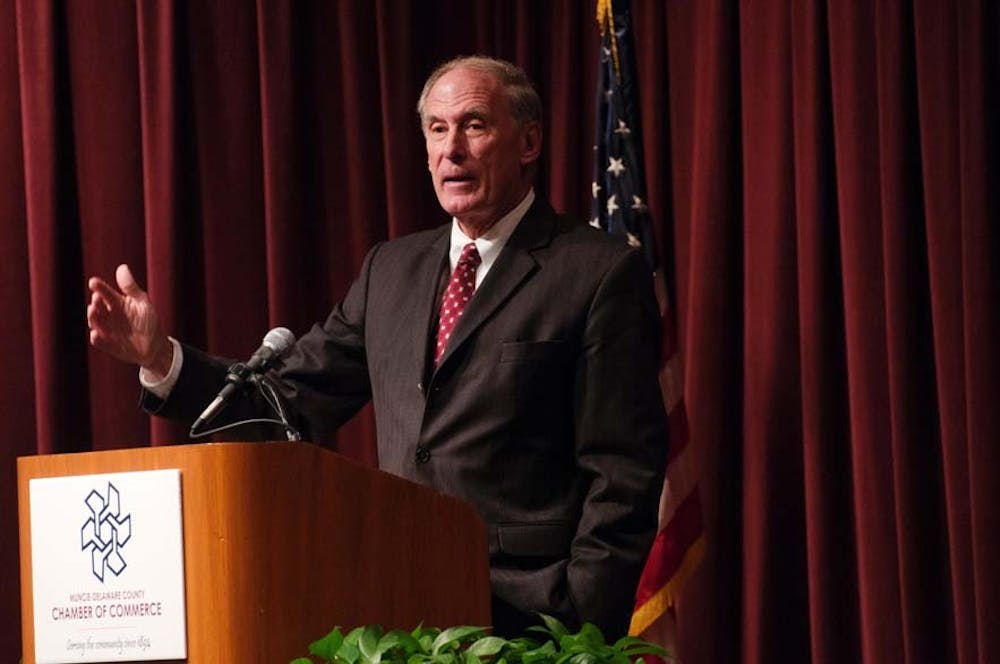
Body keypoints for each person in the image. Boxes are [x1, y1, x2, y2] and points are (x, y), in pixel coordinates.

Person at [87, 56, 668, 639]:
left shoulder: (596, 273)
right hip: (400, 611)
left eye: (474, 125)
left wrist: (578, 625)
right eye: (437, 130)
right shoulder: (391, 270)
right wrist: (160, 358)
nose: (452, 150)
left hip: (534, 623)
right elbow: (287, 402)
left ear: (529, 142)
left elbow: (621, 473)